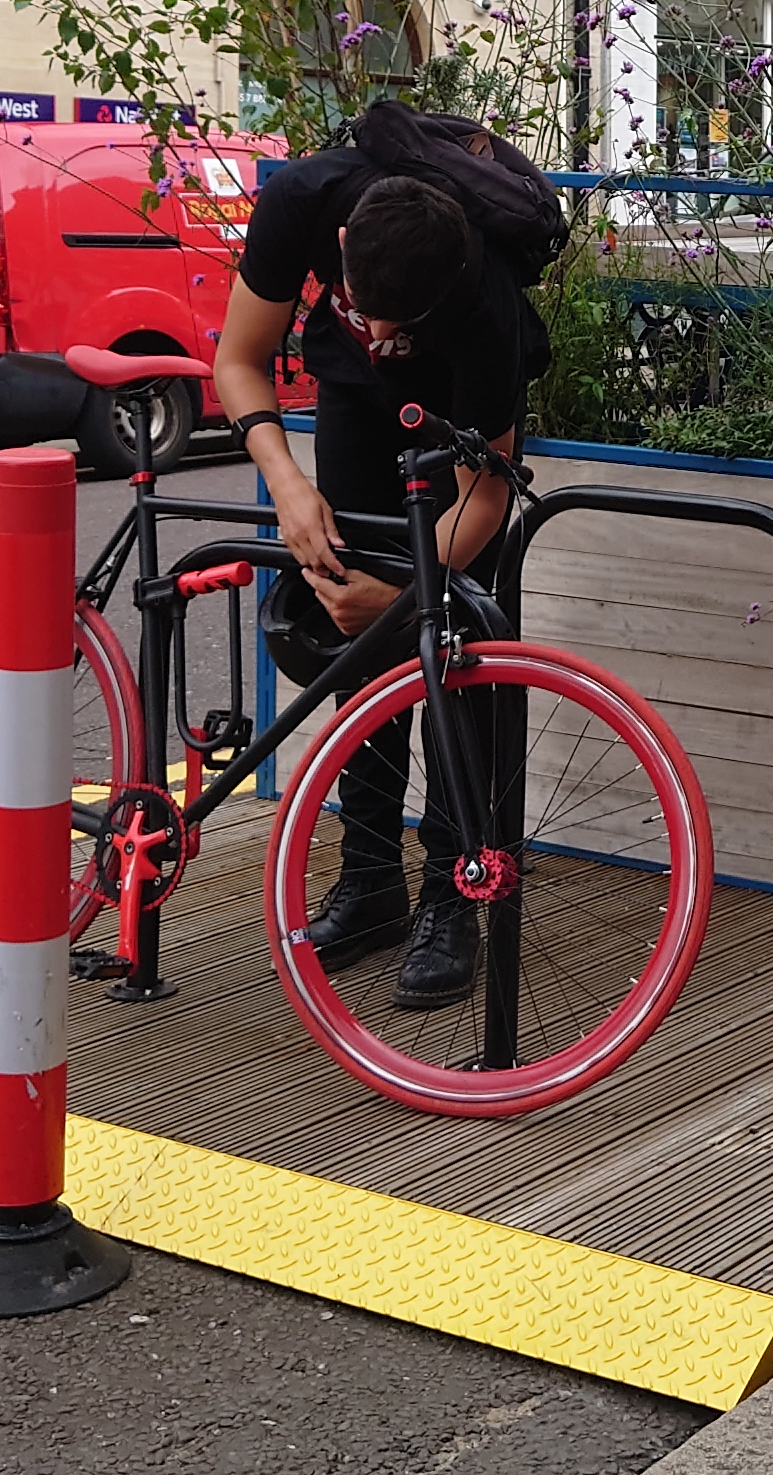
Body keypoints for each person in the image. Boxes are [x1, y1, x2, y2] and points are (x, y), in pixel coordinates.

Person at [210, 101, 564, 1010]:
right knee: (353, 647)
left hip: (448, 417)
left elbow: (488, 492)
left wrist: (412, 602)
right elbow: (240, 359)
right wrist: (289, 486)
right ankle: (369, 881)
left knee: (455, 649)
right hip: (351, 411)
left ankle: (454, 891)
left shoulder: (484, 307)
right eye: (361, 311)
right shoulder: (304, 200)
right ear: (339, 249)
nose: (375, 332)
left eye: (394, 323)